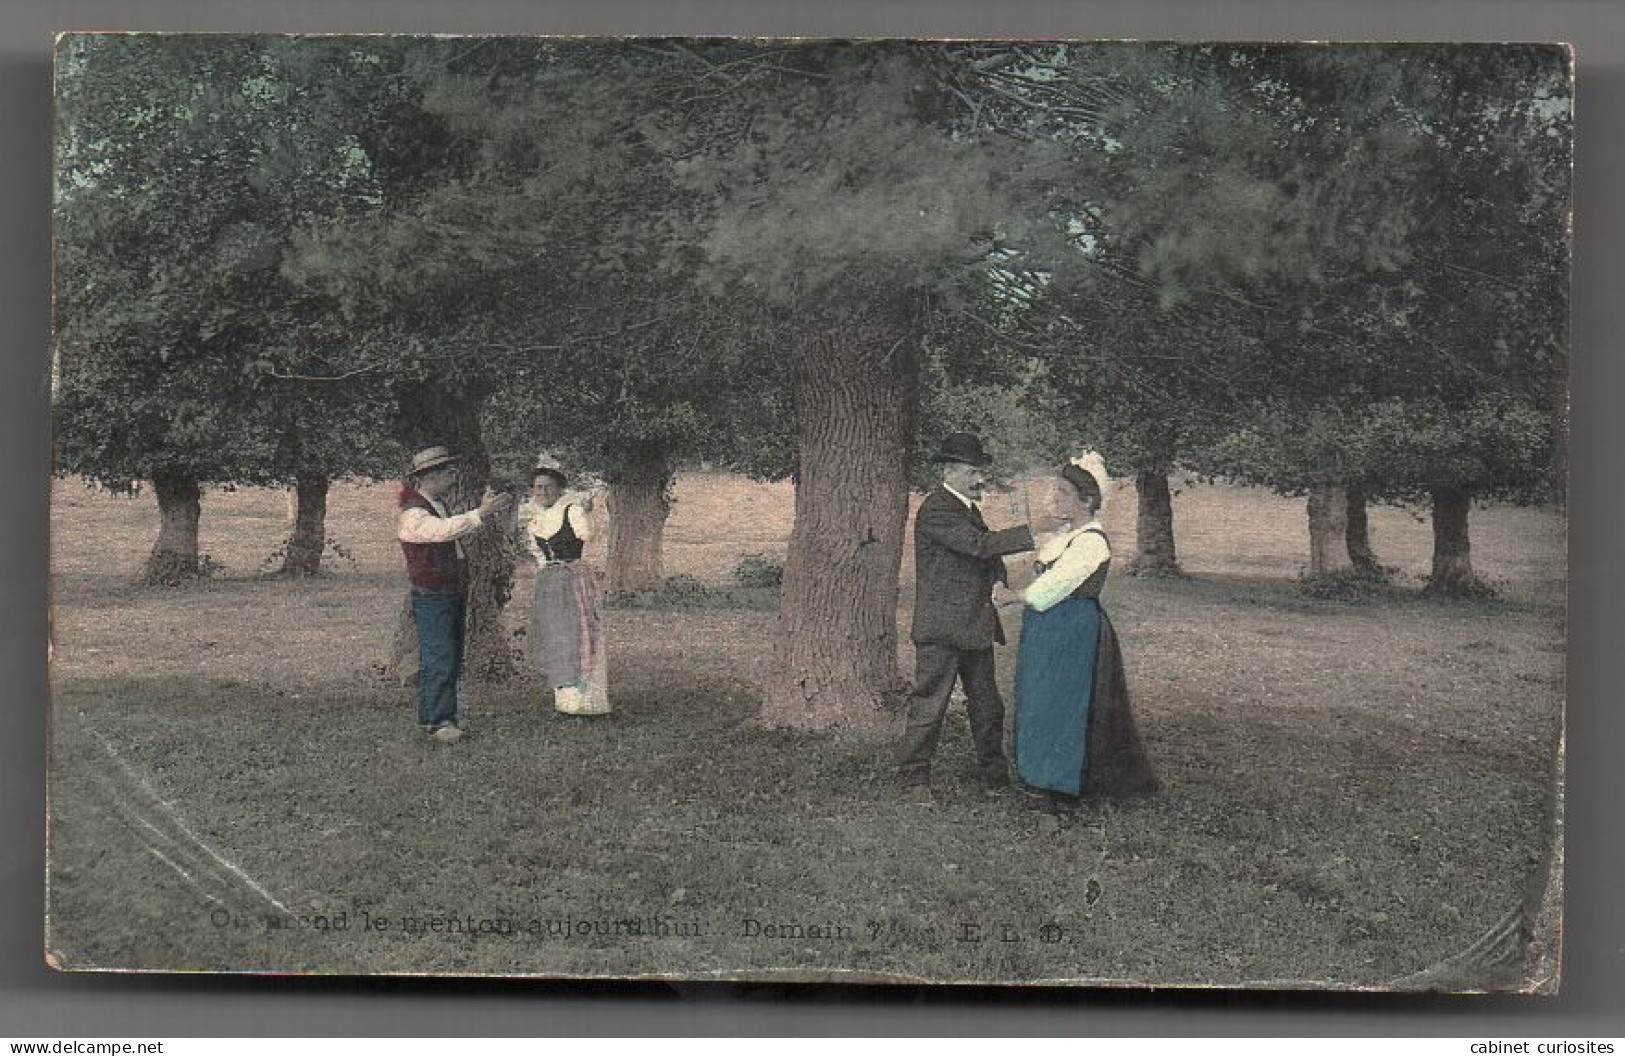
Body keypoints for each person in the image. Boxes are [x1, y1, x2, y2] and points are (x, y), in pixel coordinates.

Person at [896, 432, 1036, 794]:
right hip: (942, 630)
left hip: (974, 626)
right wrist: (1034, 532)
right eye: (974, 471)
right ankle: (913, 779)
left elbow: (988, 555)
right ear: (949, 470)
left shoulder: (967, 510)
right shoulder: (937, 509)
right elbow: (978, 546)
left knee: (988, 707)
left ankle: (995, 779)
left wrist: (1000, 581)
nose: (980, 478)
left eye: (981, 471)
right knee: (930, 706)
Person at [1009, 461, 1157, 800]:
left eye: (1064, 493)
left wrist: (1010, 597)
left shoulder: (1092, 542)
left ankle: (1059, 783)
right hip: (1046, 626)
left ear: (1087, 501)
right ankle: (1037, 774)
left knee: (1064, 701)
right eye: (1055, 491)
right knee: (1039, 696)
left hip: (1073, 628)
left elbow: (1053, 587)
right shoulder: (1064, 537)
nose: (1055, 499)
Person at [396, 445, 513, 743]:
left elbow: (451, 531)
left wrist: (480, 516)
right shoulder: (414, 513)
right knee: (441, 655)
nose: (452, 476)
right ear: (429, 476)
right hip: (433, 593)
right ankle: (439, 721)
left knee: (446, 653)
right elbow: (442, 531)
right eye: (447, 471)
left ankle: (433, 716)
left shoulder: (435, 505)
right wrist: (480, 513)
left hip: (447, 590)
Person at [520, 461, 610, 716]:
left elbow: (590, 538)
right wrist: (545, 572)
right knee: (556, 636)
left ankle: (588, 702)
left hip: (574, 579)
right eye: (538, 488)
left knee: (579, 633)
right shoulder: (534, 519)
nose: (542, 493)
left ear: (559, 489)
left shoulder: (572, 511)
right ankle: (565, 701)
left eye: (548, 487)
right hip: (549, 581)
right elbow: (537, 553)